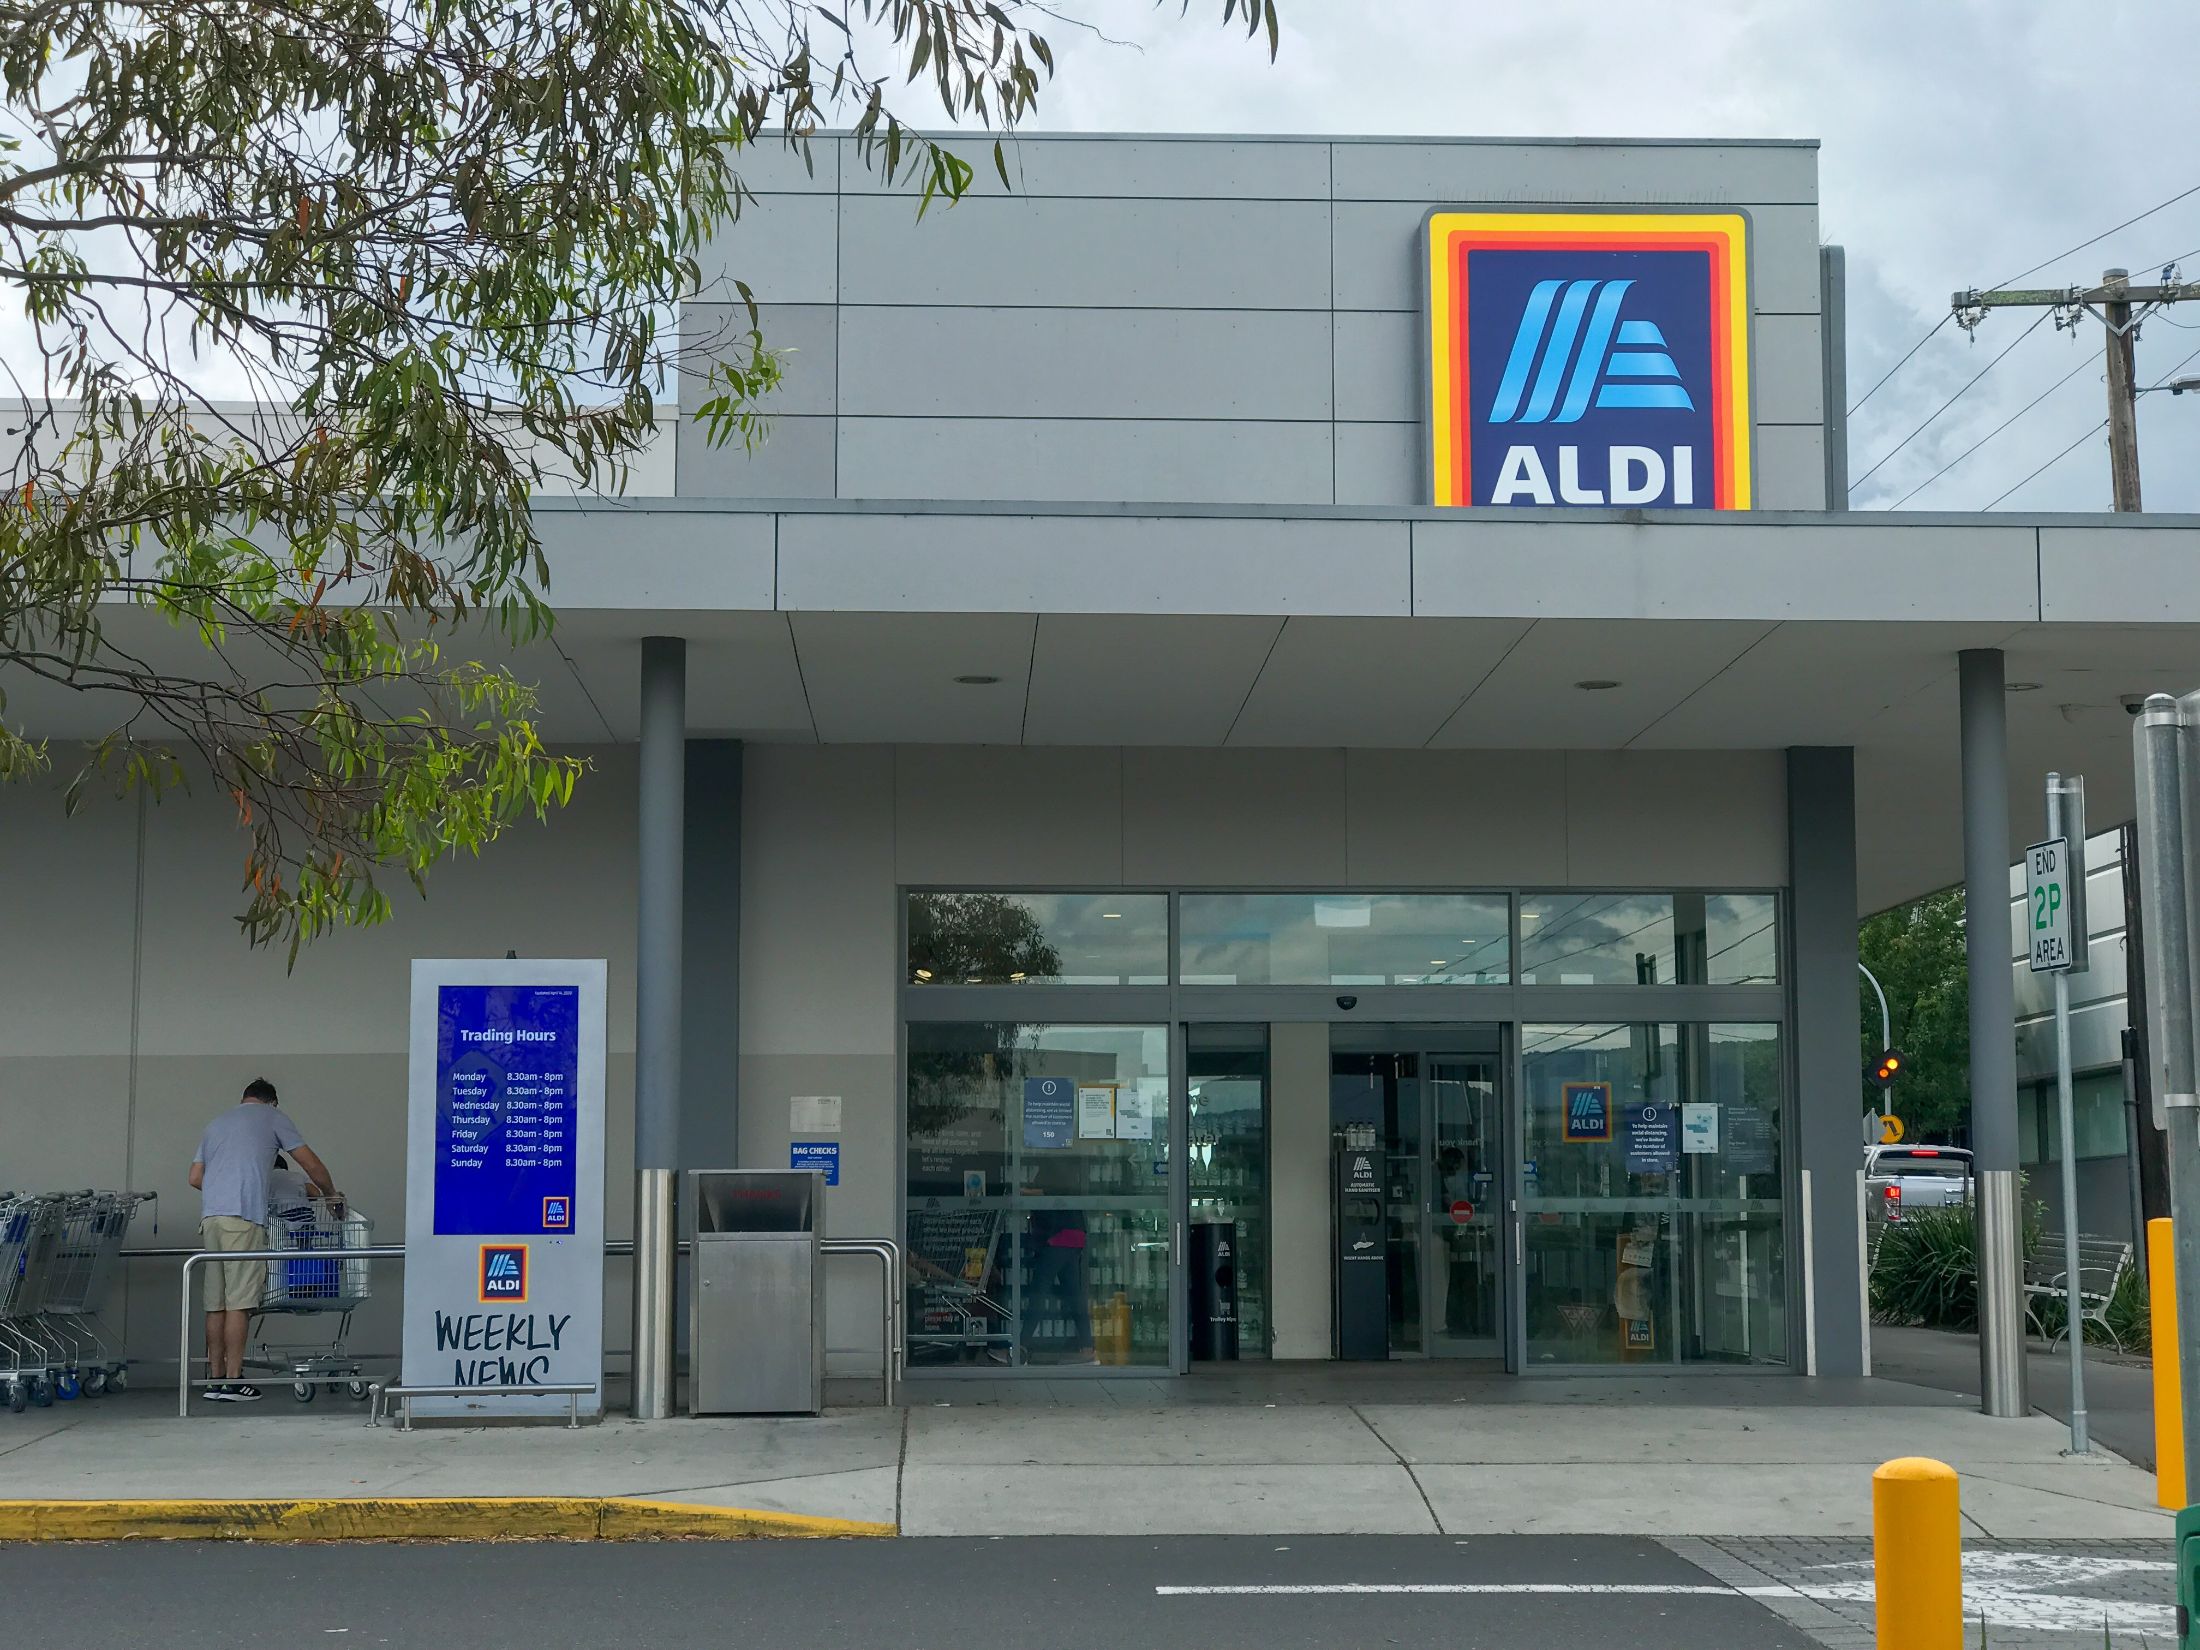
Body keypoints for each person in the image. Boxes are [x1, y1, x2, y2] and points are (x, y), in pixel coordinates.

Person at [188, 1078, 335, 1402]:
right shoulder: (273, 1117)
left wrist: (223, 1191)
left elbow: (195, 1177)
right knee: (240, 1302)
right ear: (272, 1102)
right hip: (242, 1218)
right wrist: (330, 1195)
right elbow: (311, 1164)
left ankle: (214, 1381)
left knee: (216, 1304)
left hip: (211, 1218)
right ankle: (234, 1382)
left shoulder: (216, 1123)